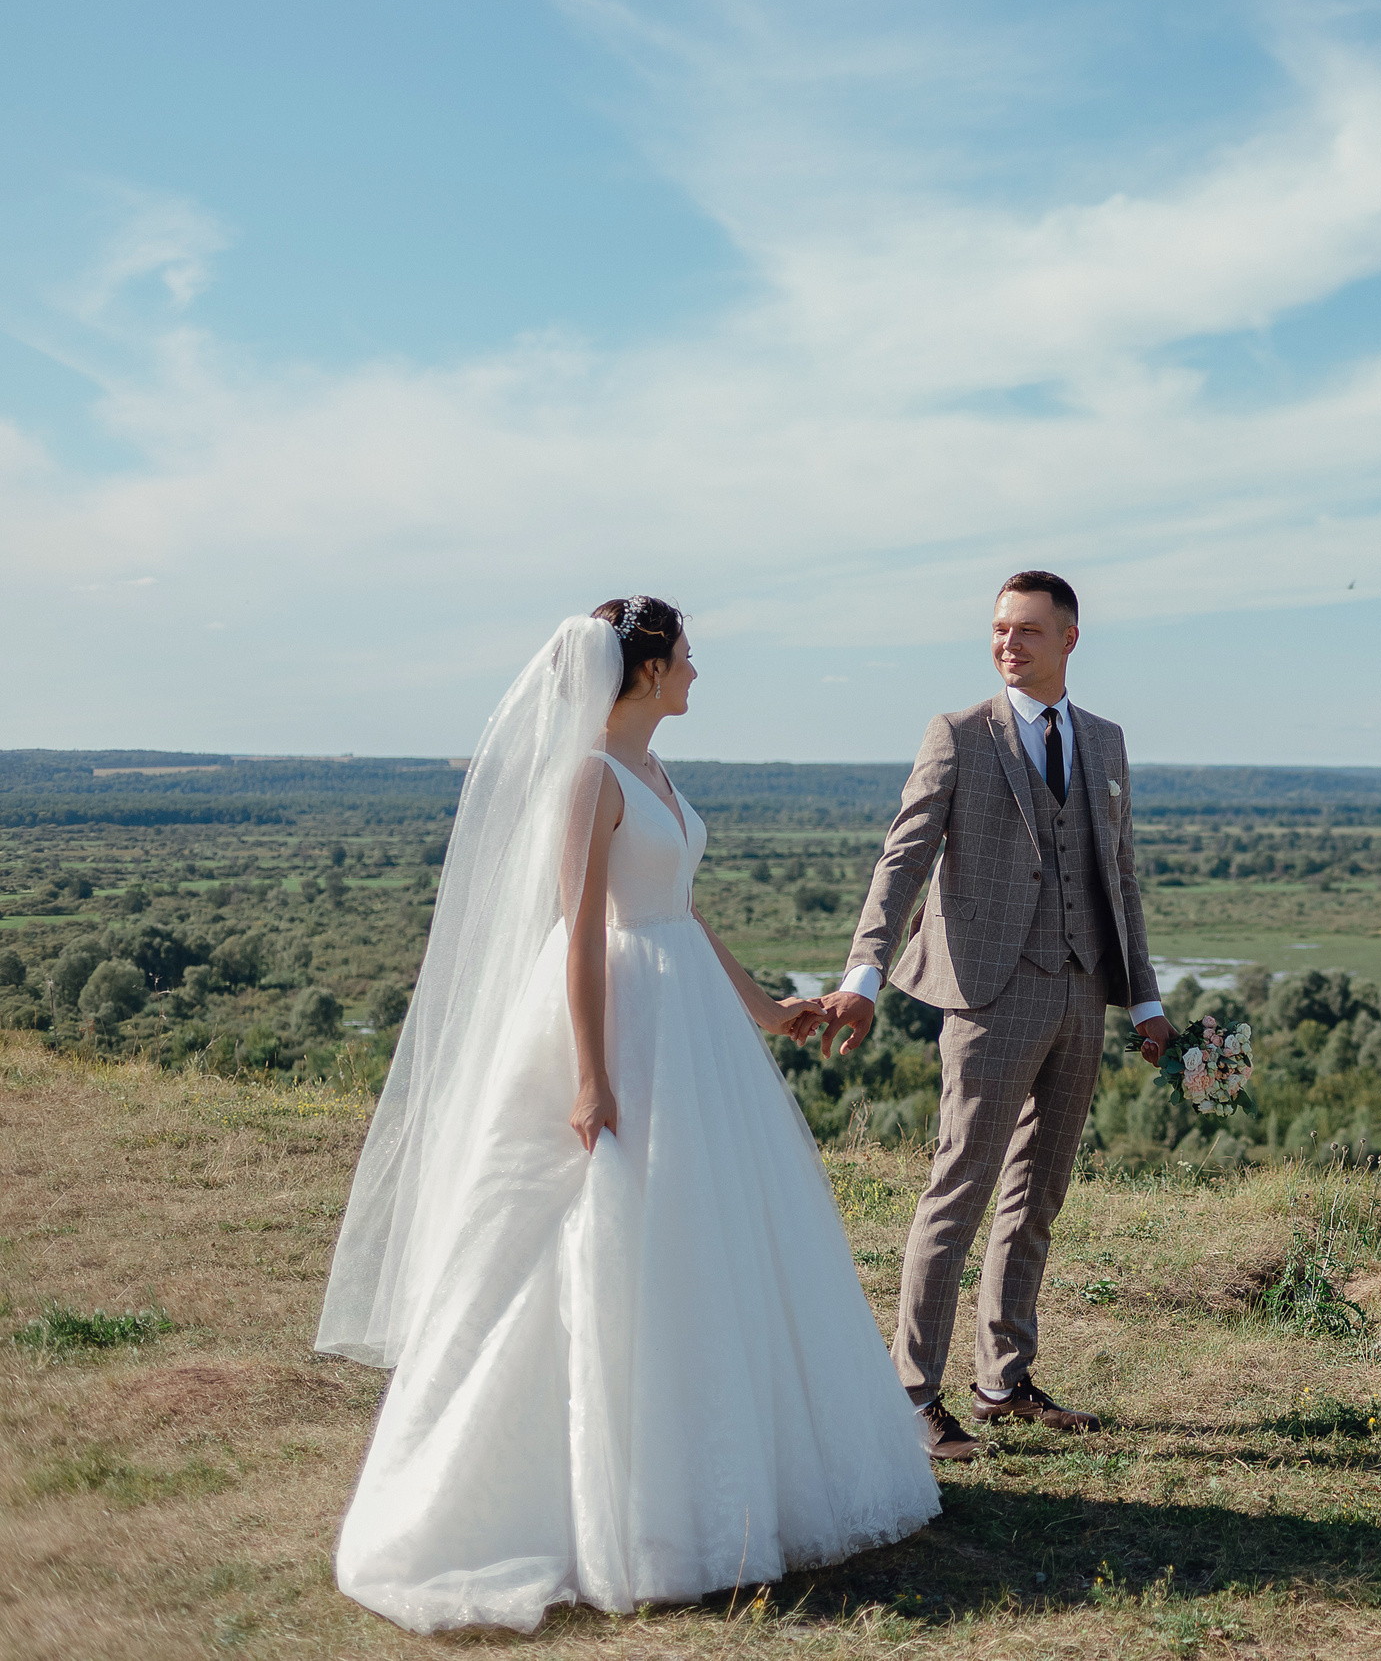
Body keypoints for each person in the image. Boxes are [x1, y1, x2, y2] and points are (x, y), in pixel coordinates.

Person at [316, 598, 938, 1634]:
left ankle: (729, 1482)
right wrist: (592, 1077)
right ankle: (612, 1505)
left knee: (708, 1238)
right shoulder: (589, 776)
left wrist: (767, 1009)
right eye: (685, 658)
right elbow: (577, 931)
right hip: (624, 1018)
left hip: (688, 1010)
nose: (696, 673)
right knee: (606, 1239)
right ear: (644, 673)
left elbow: (679, 907)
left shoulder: (653, 770)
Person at [796, 571, 1171, 1462]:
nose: (1010, 642)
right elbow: (904, 857)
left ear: (1070, 638)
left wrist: (1146, 998)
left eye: (1029, 630)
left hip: (1082, 992)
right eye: (1001, 628)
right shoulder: (959, 735)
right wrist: (864, 972)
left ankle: (1004, 1379)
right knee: (958, 1190)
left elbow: (1119, 875)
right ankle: (911, 1393)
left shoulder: (1108, 742)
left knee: (1038, 1193)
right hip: (989, 993)